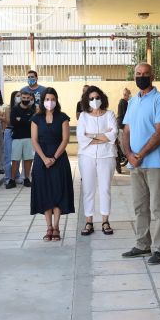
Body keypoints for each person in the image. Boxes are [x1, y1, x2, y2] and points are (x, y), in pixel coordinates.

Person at [121, 64, 160, 264]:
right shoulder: (133, 101)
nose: (141, 77)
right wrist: (129, 155)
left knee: (158, 207)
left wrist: (140, 154)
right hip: (135, 163)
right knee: (140, 206)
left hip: (155, 162)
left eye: (145, 74)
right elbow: (126, 130)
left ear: (152, 76)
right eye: (138, 74)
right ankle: (142, 244)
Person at [31, 88, 75, 241]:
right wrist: (44, 158)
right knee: (45, 193)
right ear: (43, 101)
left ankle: (56, 227)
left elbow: (65, 139)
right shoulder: (36, 118)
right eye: (47, 99)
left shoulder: (63, 117)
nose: (50, 102)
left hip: (59, 159)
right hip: (41, 160)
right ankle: (48, 227)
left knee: (58, 192)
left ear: (56, 100)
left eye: (53, 99)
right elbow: (34, 140)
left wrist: (54, 158)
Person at [76, 86, 117, 236]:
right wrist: (103, 136)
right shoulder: (83, 116)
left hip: (107, 156)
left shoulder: (110, 114)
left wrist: (91, 136)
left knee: (105, 189)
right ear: (87, 100)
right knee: (88, 189)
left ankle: (105, 221)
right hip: (87, 157)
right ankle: (89, 221)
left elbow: (114, 134)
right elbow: (81, 138)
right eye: (91, 98)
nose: (95, 100)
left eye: (97, 97)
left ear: (102, 98)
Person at [7, 90, 37, 188]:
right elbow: (13, 122)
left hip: (29, 138)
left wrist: (20, 119)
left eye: (28, 98)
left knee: (28, 159)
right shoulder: (15, 109)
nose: (26, 100)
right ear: (21, 98)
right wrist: (25, 120)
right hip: (17, 138)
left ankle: (26, 179)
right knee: (15, 160)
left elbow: (31, 123)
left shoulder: (31, 111)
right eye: (24, 98)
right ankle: (12, 180)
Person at [2, 90, 21, 185]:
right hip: (9, 132)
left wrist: (19, 120)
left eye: (21, 95)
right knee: (8, 156)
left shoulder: (22, 108)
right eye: (18, 96)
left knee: (17, 156)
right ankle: (8, 177)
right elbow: (9, 121)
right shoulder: (8, 108)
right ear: (13, 97)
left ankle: (16, 175)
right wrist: (19, 120)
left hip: (19, 132)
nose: (20, 97)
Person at [115, 87, 131, 174]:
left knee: (122, 146)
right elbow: (126, 115)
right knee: (124, 146)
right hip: (122, 126)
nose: (129, 96)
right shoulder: (124, 102)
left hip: (121, 125)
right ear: (126, 94)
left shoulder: (122, 102)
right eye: (128, 94)